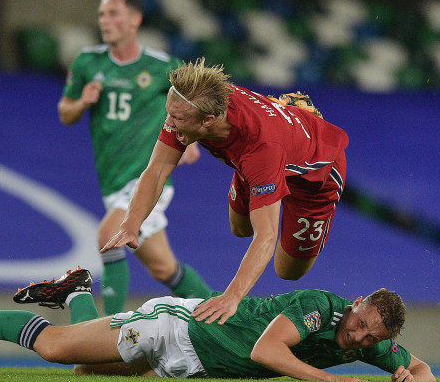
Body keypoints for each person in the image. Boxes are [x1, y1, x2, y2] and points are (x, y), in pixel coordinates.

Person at [102, 58, 349, 325]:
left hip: (315, 179)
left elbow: (267, 237)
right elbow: (157, 169)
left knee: (287, 271)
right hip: (257, 161)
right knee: (240, 228)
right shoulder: (201, 99)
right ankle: (289, 123)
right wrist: (131, 223)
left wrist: (232, 297)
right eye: (169, 113)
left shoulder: (260, 151)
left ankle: (297, 127)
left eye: (178, 118)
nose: (169, 123)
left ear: (209, 120)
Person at [0, 267, 435, 382]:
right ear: (357, 302)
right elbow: (269, 354)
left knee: (84, 366)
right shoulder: (320, 305)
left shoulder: (366, 344)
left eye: (371, 338)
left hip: (184, 362)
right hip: (173, 331)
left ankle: (78, 292)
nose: (358, 337)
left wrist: (416, 376)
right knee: (56, 349)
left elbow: (422, 369)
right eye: (361, 323)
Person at [57, 0, 211, 314]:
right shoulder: (88, 62)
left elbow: (197, 104)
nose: (105, 21)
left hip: (147, 177)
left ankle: (109, 337)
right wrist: (83, 101)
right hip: (113, 182)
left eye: (113, 14)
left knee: (108, 235)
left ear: (135, 19)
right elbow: (65, 113)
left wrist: (191, 142)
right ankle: (223, 318)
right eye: (102, 14)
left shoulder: (162, 66)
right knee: (164, 269)